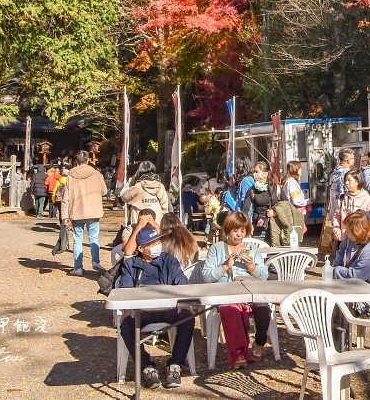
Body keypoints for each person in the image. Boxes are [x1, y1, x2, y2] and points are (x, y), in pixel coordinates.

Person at [116, 223, 192, 390]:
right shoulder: (130, 265)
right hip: (142, 311)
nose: (157, 245)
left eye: (158, 241)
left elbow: (182, 282)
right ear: (142, 248)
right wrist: (130, 309)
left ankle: (175, 365)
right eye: (152, 244)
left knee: (188, 317)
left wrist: (182, 301)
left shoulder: (169, 260)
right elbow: (126, 290)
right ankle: (146, 367)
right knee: (126, 324)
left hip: (169, 309)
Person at [201, 211, 271, 369]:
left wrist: (251, 267)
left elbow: (264, 276)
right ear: (227, 230)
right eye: (235, 230)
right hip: (227, 293)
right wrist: (225, 266)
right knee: (229, 309)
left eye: (243, 231)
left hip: (250, 290)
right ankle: (239, 352)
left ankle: (259, 342)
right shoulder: (217, 249)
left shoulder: (251, 248)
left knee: (263, 309)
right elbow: (207, 276)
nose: (239, 235)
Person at [60, 150, 109, 277]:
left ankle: (78, 267)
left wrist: (64, 216)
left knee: (78, 239)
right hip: (93, 211)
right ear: (88, 160)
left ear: (76, 161)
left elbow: (65, 198)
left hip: (77, 211)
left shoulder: (70, 176)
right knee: (94, 237)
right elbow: (104, 191)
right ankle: (96, 261)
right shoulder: (96, 174)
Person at [331, 169, 370, 243]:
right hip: (344, 240)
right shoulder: (342, 198)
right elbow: (336, 216)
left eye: (349, 180)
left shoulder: (367, 199)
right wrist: (336, 229)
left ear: (357, 181)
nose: (346, 183)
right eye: (345, 180)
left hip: (360, 241)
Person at [241, 161, 277, 241]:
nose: (254, 174)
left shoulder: (275, 188)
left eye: (257, 171)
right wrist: (248, 225)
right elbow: (245, 210)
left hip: (275, 227)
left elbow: (284, 205)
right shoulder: (252, 190)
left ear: (265, 174)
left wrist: (275, 212)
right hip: (258, 229)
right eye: (254, 171)